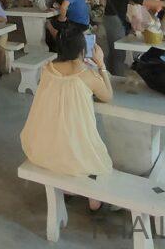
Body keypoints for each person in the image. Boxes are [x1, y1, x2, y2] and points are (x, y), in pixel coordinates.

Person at [20, 23, 113, 213]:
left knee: (66, 144)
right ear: (83, 49)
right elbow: (108, 96)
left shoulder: (47, 69)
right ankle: (93, 200)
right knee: (94, 158)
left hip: (43, 147)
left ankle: (68, 189)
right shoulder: (87, 75)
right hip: (74, 150)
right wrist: (101, 65)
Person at [102, 0, 143, 75]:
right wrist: (163, 3)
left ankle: (110, 79)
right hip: (114, 19)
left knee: (114, 52)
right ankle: (116, 80)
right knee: (118, 54)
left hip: (111, 18)